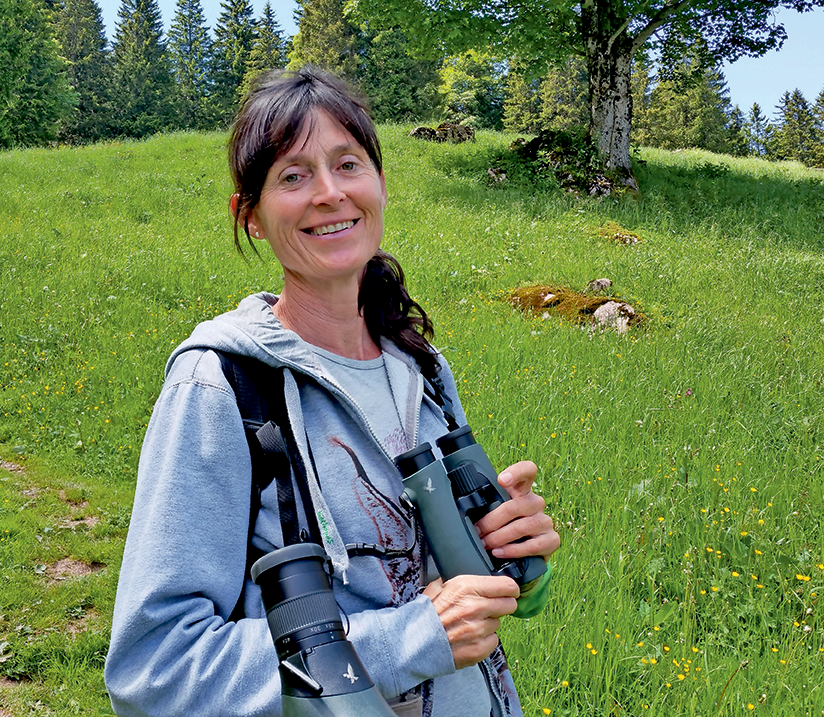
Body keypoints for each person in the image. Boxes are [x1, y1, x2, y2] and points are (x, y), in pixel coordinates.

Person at [104, 66, 561, 717]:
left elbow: (474, 606)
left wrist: (516, 554)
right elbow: (156, 668)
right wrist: (406, 640)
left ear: (377, 184)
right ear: (250, 215)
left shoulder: (421, 367)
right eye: (293, 176)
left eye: (347, 164)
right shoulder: (221, 385)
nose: (328, 193)